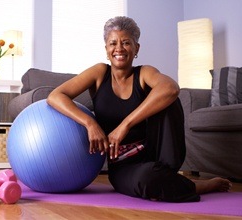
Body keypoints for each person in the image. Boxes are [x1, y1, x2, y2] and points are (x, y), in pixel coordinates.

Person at [47, 16, 232, 202]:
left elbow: (171, 88)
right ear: (106, 49)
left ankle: (171, 177)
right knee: (147, 181)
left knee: (168, 98)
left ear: (136, 48)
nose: (119, 48)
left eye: (126, 42)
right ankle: (196, 185)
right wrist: (90, 123)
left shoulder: (144, 73)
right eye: (113, 43)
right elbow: (56, 96)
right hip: (124, 165)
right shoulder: (99, 73)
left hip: (158, 153)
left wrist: (125, 125)